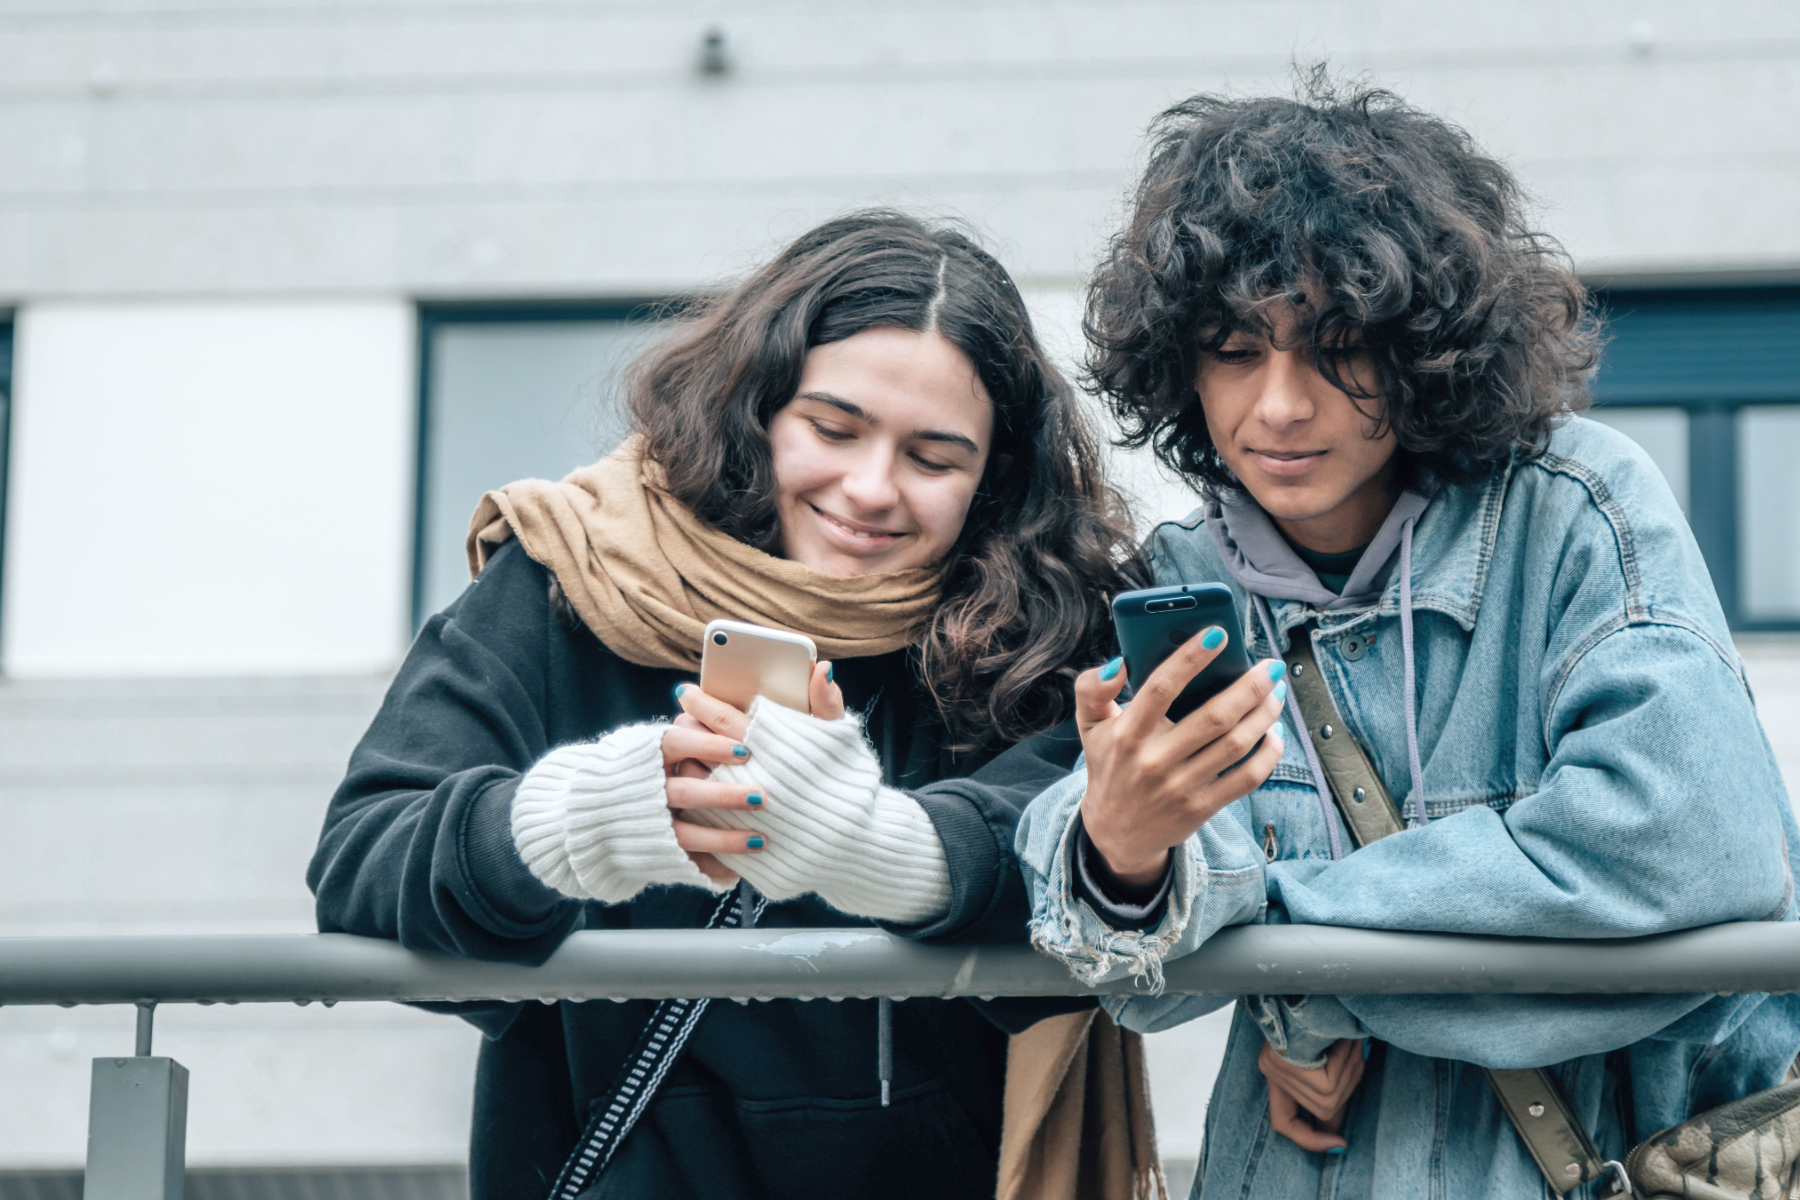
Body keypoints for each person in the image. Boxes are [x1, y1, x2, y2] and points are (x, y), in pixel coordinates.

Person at [1016, 81, 1800, 1198]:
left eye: (1335, 346)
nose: (1280, 406)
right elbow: (1140, 965)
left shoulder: (1578, 505)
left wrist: (1296, 969)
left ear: (1422, 347)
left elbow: (1690, 852)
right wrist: (1121, 848)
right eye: (1236, 349)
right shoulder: (1186, 578)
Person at [307, 211, 1148, 1200]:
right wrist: (585, 819)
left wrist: (882, 847)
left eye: (933, 458)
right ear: (757, 409)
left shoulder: (1050, 633)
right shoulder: (573, 571)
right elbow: (363, 864)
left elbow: (1085, 868)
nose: (870, 488)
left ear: (994, 479)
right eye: (831, 429)